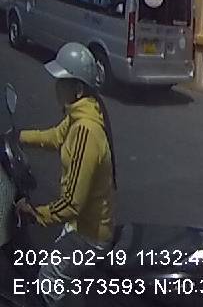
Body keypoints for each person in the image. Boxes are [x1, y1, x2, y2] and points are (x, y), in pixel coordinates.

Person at [16, 43, 117, 306]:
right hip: (79, 225)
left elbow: (72, 204)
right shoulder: (80, 115)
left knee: (48, 279)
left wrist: (36, 214)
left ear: (78, 89)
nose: (56, 87)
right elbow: (55, 136)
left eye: (62, 81)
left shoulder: (86, 131)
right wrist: (18, 137)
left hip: (90, 234)